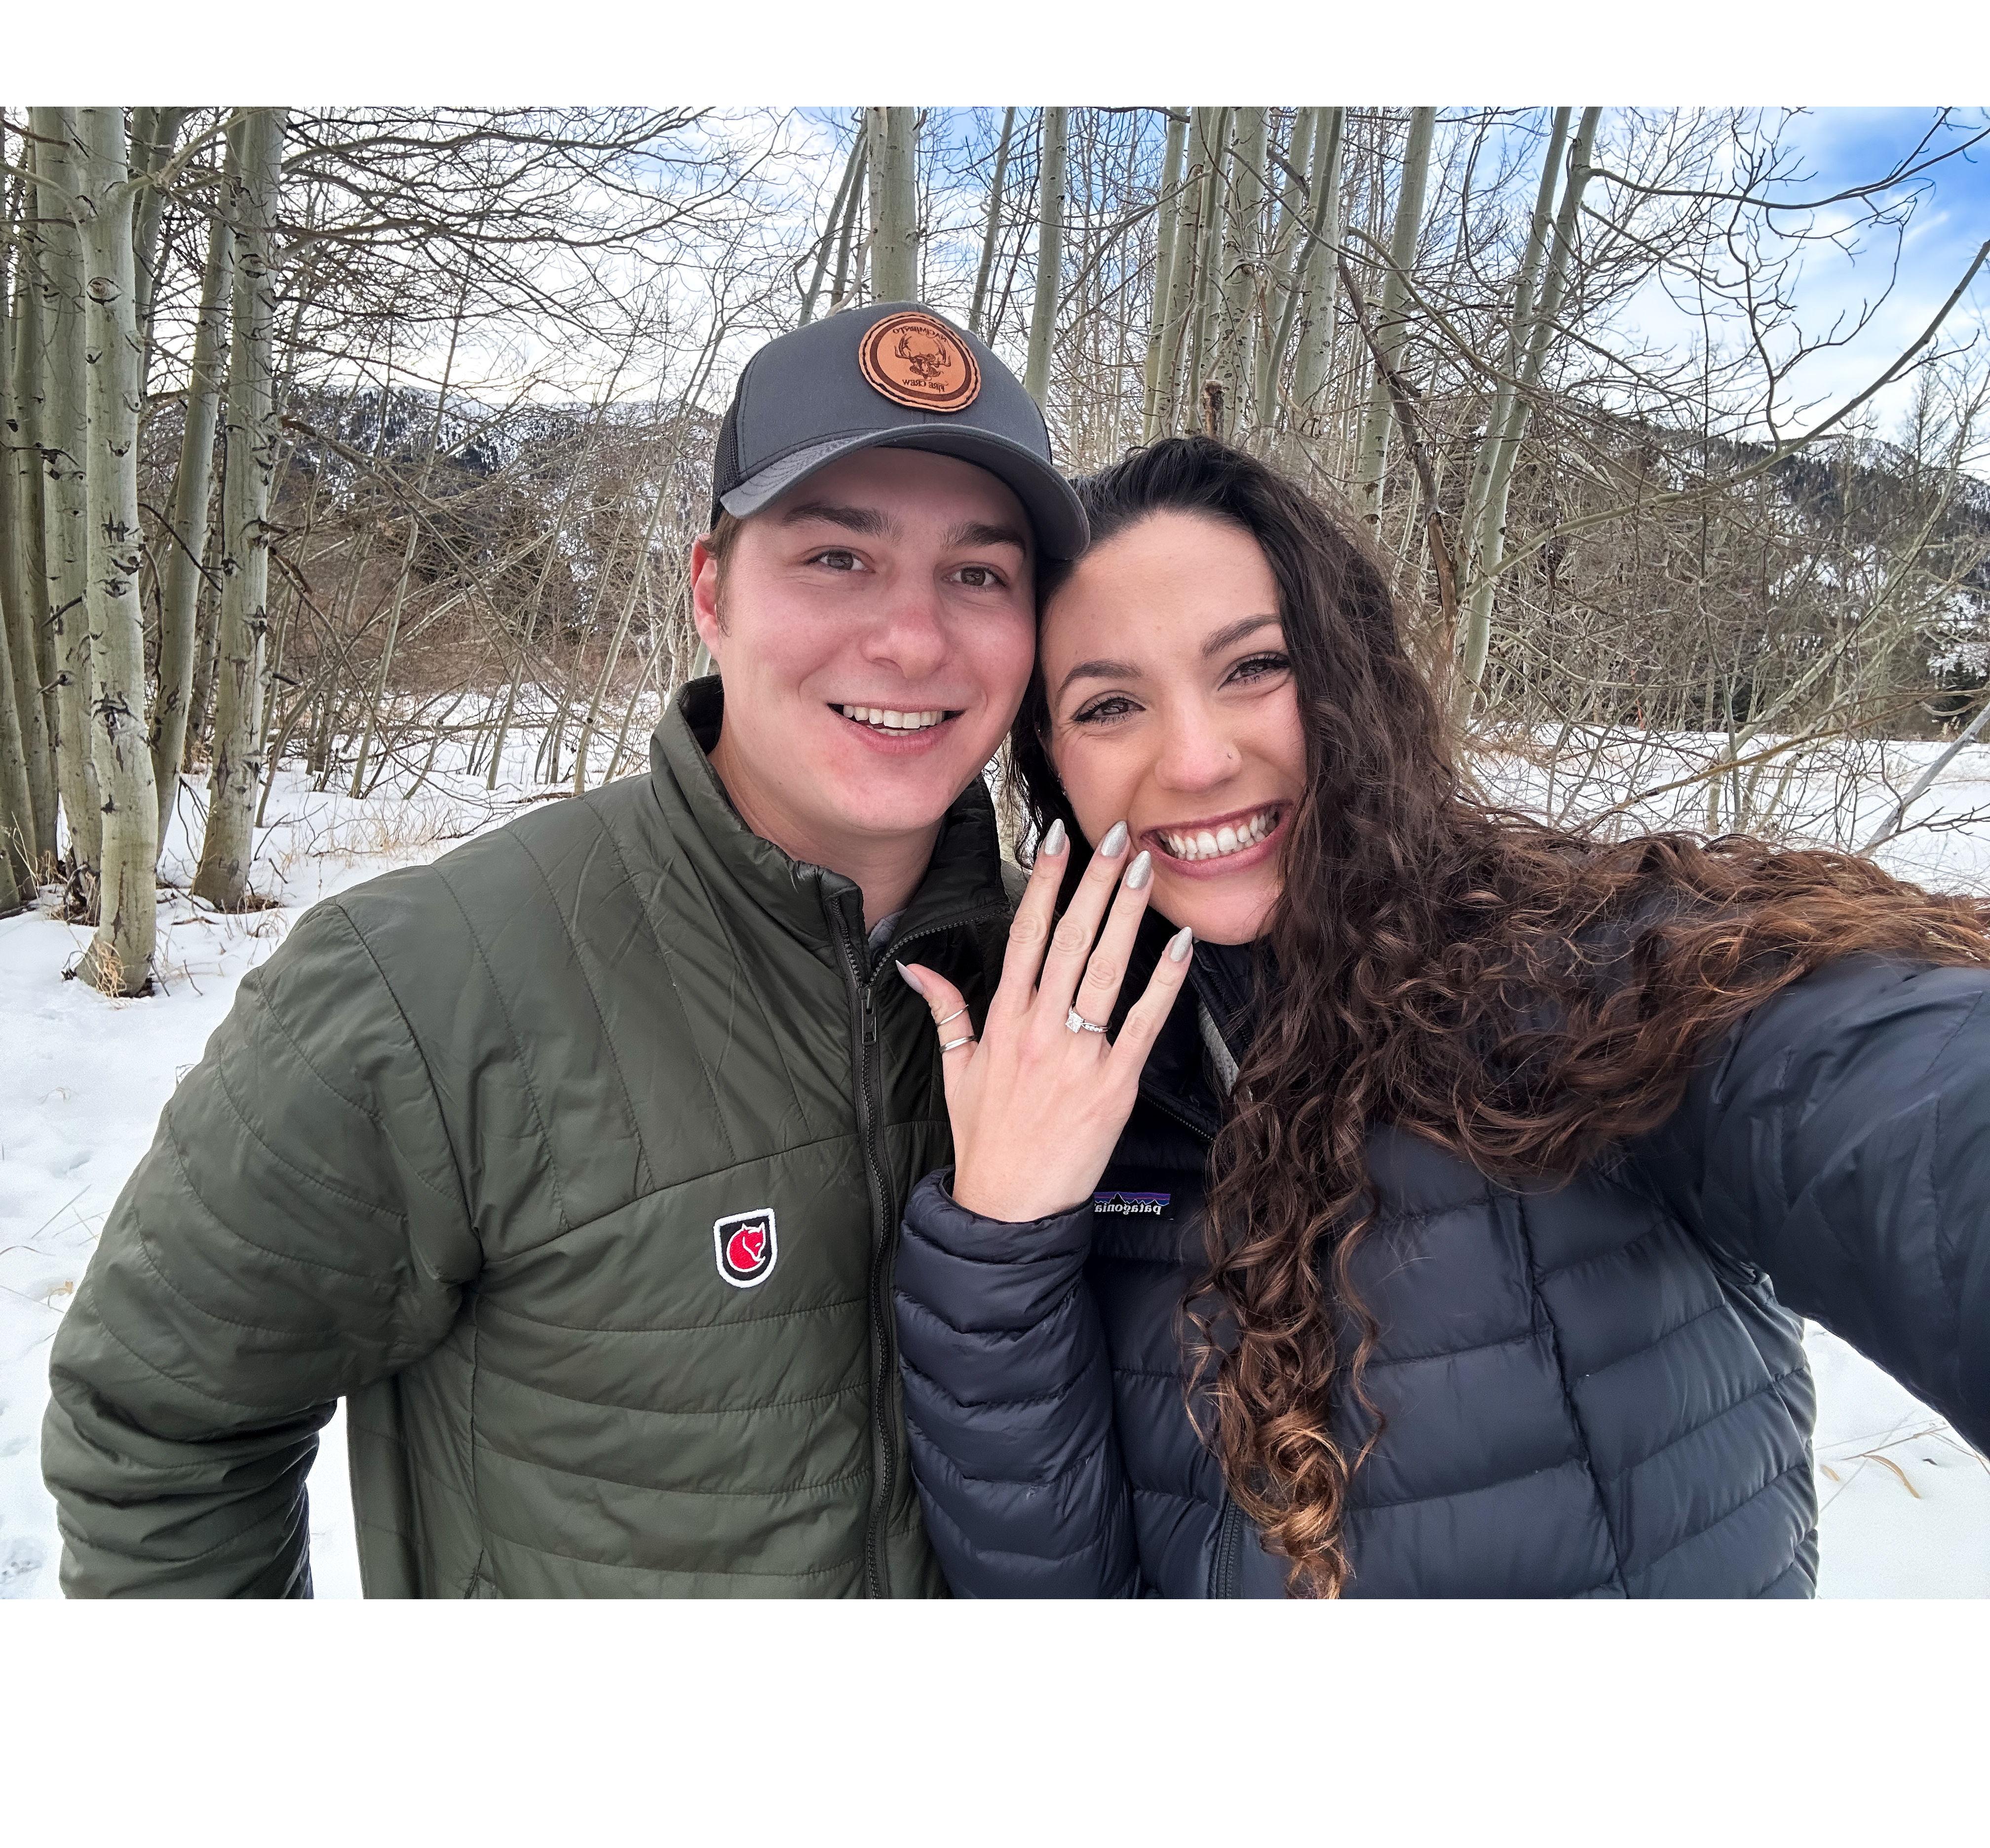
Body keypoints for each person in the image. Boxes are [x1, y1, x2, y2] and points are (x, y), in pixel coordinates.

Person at [41, 302, 1087, 1598]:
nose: (914, 639)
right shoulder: (427, 986)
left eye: (980, 576)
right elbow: (158, 1437)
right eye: (836, 558)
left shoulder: (1073, 986)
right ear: (711, 592)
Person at [892, 435, 1990, 1598]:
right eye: (1111, 704)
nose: (1199, 759)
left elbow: (1890, 1106)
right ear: (1053, 761)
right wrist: (1003, 1239)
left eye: (1255, 667)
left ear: (1348, 673)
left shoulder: (1591, 973)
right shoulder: (1064, 1085)